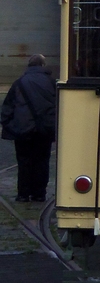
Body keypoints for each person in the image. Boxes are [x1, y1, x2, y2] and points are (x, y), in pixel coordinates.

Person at [1, 55, 57, 202]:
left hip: (22, 129)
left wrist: (9, 126)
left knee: (24, 162)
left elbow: (7, 107)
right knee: (42, 161)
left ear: (29, 66)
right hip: (44, 130)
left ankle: (23, 194)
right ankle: (39, 194)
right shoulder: (52, 83)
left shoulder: (19, 83)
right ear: (43, 65)